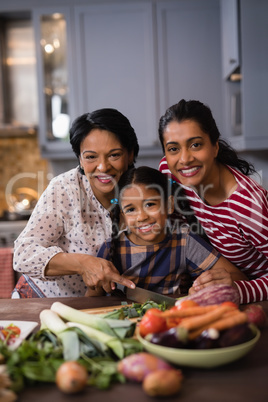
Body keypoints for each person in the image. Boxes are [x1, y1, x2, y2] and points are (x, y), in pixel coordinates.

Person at [12, 108, 139, 298]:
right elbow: (23, 254)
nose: (103, 167)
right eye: (90, 157)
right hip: (42, 300)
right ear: (79, 158)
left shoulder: (140, 189)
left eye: (114, 155)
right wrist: (82, 263)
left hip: (95, 306)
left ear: (130, 154)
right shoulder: (64, 189)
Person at [158, 99, 268, 304]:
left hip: (256, 299)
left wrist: (239, 290)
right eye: (173, 148)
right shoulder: (169, 173)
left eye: (195, 145)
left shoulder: (248, 205)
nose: (185, 159)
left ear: (215, 146)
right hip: (213, 290)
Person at [89, 166, 247, 296]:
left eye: (150, 204)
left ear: (170, 205)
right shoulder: (111, 249)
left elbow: (238, 278)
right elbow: (91, 300)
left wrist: (207, 284)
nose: (142, 217)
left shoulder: (184, 240)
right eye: (131, 209)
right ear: (122, 216)